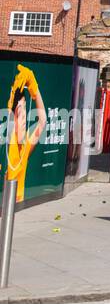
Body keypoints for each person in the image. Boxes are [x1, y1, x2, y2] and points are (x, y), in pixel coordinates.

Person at [5, 64, 47, 203]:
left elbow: (42, 122)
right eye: (20, 112)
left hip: (14, 208)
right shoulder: (6, 145)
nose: (24, 118)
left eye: (24, 111)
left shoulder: (24, 147)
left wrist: (35, 90)